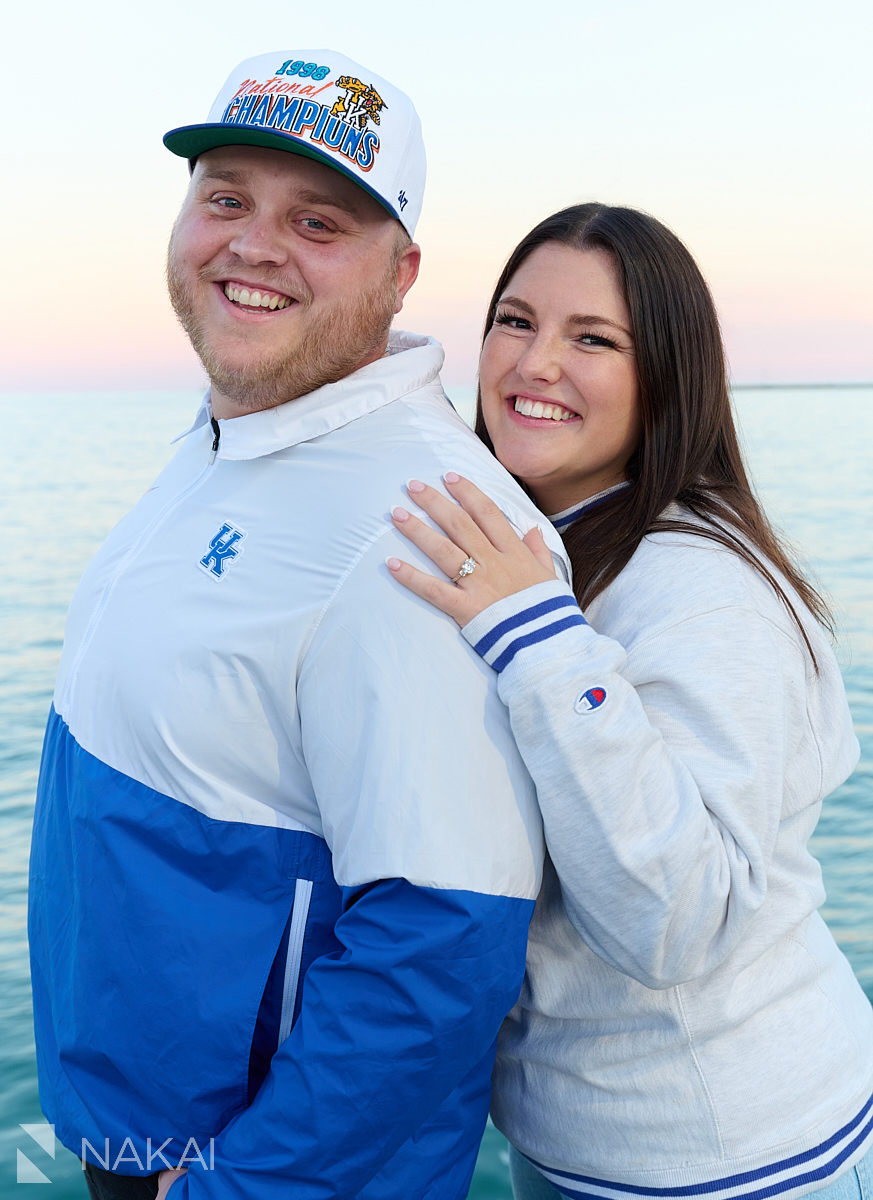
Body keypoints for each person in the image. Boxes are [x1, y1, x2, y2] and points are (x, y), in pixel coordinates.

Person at [27, 50, 570, 1200]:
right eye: (226, 198)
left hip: (247, 1168)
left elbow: (445, 946)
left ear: (402, 270)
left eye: (317, 220)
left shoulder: (418, 527)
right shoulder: (240, 426)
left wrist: (240, 1188)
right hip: (139, 1128)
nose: (253, 245)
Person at [386, 203, 873, 1200]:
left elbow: (675, 922)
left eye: (593, 339)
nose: (534, 364)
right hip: (579, 1144)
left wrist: (538, 639)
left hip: (739, 1160)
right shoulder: (545, 547)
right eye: (515, 322)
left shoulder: (707, 591)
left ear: (666, 376)